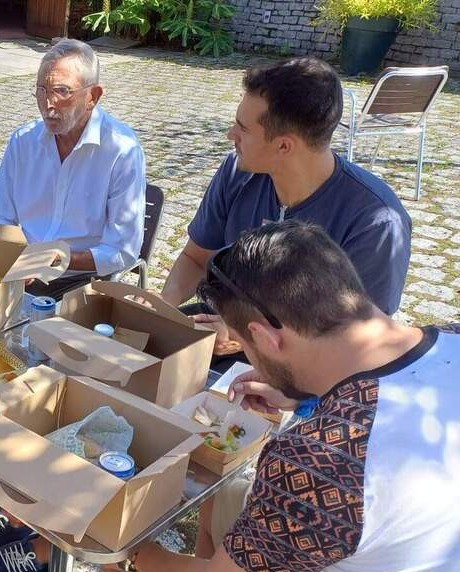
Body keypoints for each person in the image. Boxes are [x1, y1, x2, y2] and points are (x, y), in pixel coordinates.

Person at [103, 220, 460, 572]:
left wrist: (133, 550)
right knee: (231, 496)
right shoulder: (446, 348)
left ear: (269, 337)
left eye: (243, 345)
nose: (247, 358)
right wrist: (306, 400)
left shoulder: (323, 460)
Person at [160, 57, 411, 360]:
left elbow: (361, 338)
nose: (230, 135)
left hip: (307, 365)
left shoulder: (375, 221)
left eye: (242, 128)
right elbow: (196, 258)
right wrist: (162, 311)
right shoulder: (237, 172)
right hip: (220, 327)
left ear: (283, 146)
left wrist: (250, 334)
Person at [0, 38, 145, 300]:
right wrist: (17, 254)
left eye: (62, 91)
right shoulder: (23, 141)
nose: (48, 104)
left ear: (92, 96)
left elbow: (123, 251)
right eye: (42, 90)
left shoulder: (121, 149)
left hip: (83, 280)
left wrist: (57, 259)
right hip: (21, 270)